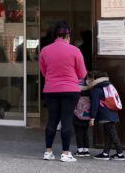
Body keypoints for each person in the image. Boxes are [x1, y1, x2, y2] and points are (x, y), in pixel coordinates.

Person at [37, 20, 87, 163]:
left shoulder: (45, 50)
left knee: (52, 119)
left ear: (55, 35)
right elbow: (82, 73)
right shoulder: (75, 50)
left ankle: (48, 151)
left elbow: (44, 72)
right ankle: (65, 153)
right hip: (70, 90)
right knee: (66, 120)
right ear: (67, 35)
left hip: (51, 90)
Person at [87, 71, 125, 160]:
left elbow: (95, 104)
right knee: (109, 134)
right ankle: (105, 153)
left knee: (112, 134)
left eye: (88, 79)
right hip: (112, 113)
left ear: (93, 78)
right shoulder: (106, 85)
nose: (88, 81)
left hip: (105, 115)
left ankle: (120, 154)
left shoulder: (96, 89)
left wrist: (92, 118)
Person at [72, 85, 93, 157]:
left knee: (79, 133)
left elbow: (74, 107)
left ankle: (80, 150)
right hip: (87, 117)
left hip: (77, 117)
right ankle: (86, 150)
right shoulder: (90, 98)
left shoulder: (77, 97)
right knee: (85, 133)